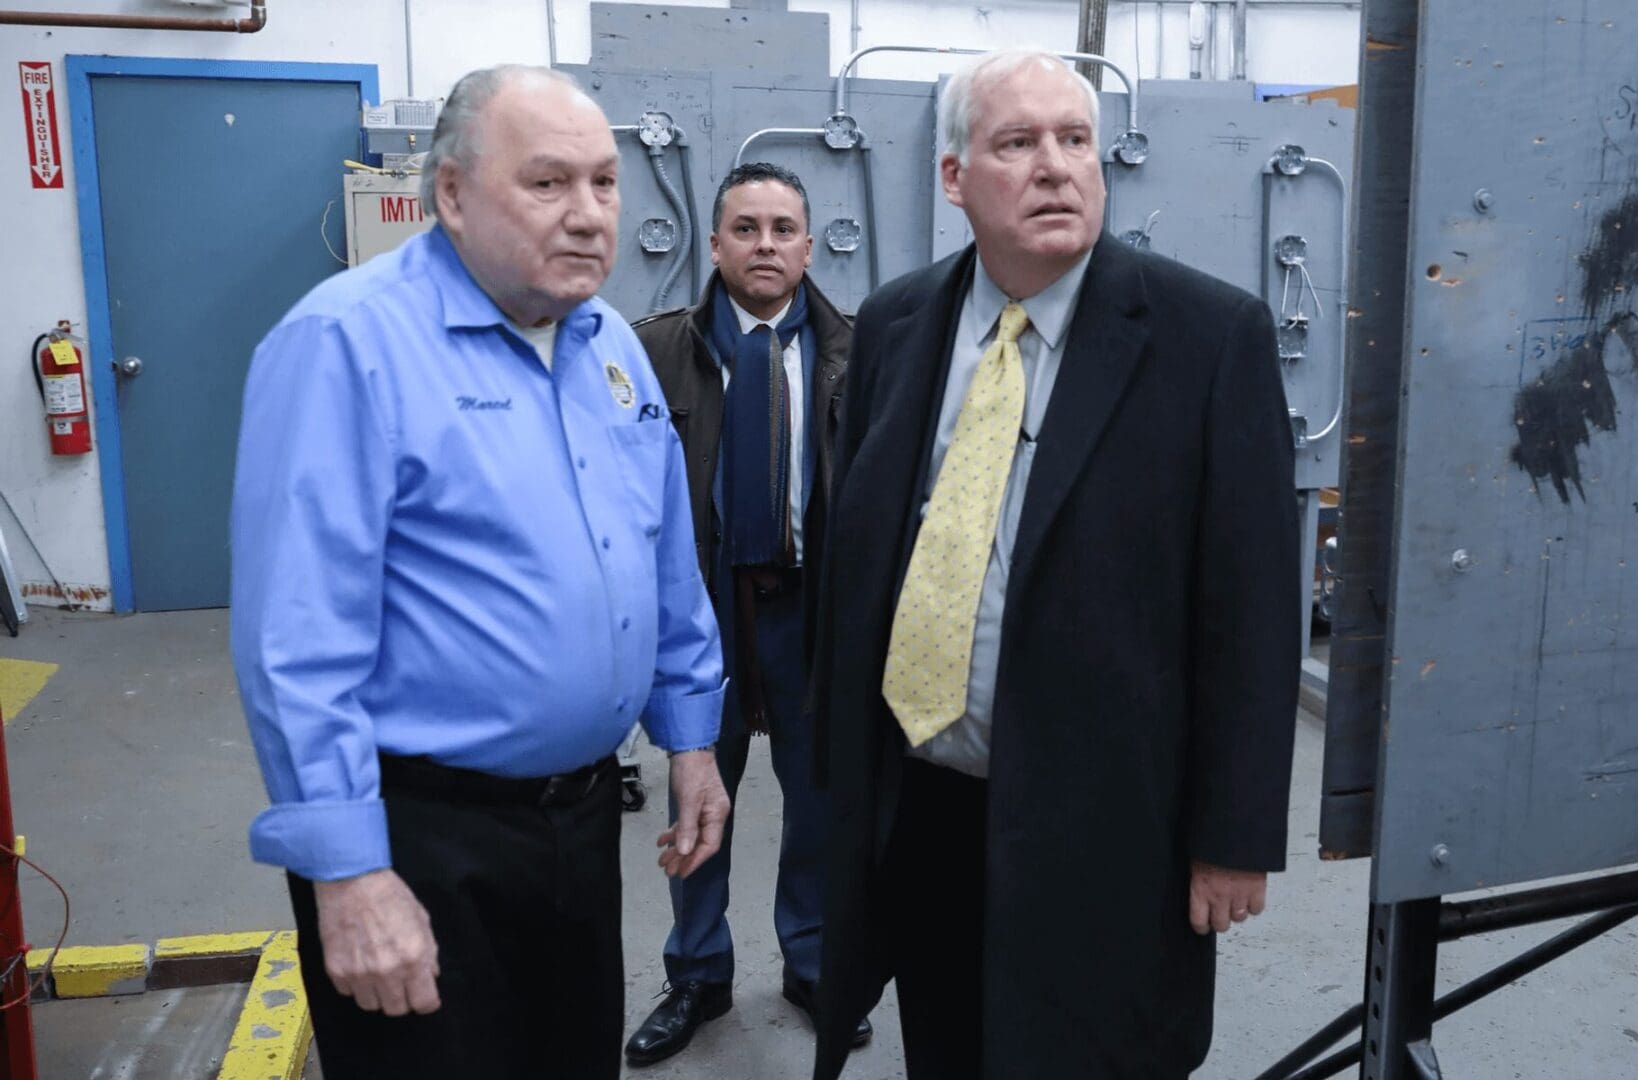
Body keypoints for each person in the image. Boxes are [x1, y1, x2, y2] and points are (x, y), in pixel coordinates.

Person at [229, 64, 732, 1079]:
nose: (591, 216)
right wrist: (351, 874)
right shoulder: (347, 345)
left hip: (580, 823)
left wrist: (691, 739)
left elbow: (665, 562)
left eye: (604, 182)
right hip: (423, 839)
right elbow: (296, 639)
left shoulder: (609, 351)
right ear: (449, 195)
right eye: (548, 184)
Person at [809, 48, 1302, 1079]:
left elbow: (1251, 610)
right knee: (948, 1050)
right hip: (928, 805)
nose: (1055, 167)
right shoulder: (899, 326)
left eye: (1074, 140)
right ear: (955, 179)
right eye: (1018, 142)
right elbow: (861, 561)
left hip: (1108, 821)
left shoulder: (1206, 338)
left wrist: (1235, 831)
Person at [622, 162, 873, 1064]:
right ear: (716, 243)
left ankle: (811, 964)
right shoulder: (653, 352)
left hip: (813, 617)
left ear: (809, 245)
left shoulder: (861, 352)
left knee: (819, 804)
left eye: (782, 229)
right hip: (706, 617)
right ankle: (697, 972)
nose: (765, 245)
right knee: (696, 799)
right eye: (746, 228)